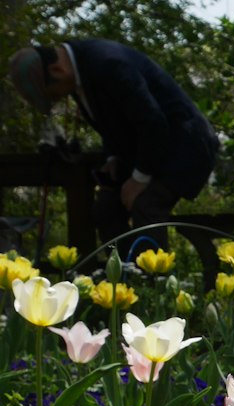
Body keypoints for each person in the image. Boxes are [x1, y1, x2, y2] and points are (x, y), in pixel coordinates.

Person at [8, 39, 219, 254]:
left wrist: (139, 179)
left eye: (52, 94)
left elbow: (152, 121)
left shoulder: (109, 64)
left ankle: (153, 282)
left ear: (56, 69)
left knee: (145, 205)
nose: (57, 99)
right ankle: (123, 278)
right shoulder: (77, 73)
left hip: (183, 147)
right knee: (106, 210)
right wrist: (112, 158)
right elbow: (111, 122)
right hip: (148, 149)